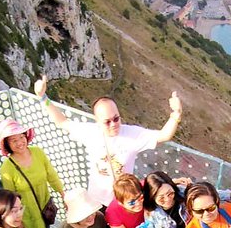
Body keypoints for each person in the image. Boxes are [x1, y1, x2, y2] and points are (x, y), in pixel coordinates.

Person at [33, 74, 183, 208]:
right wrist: (42, 97)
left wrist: (176, 113)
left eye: (116, 118)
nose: (113, 124)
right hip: (97, 200)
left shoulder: (132, 134)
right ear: (97, 121)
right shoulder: (90, 132)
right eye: (107, 121)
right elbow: (62, 122)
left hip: (124, 201)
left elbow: (163, 135)